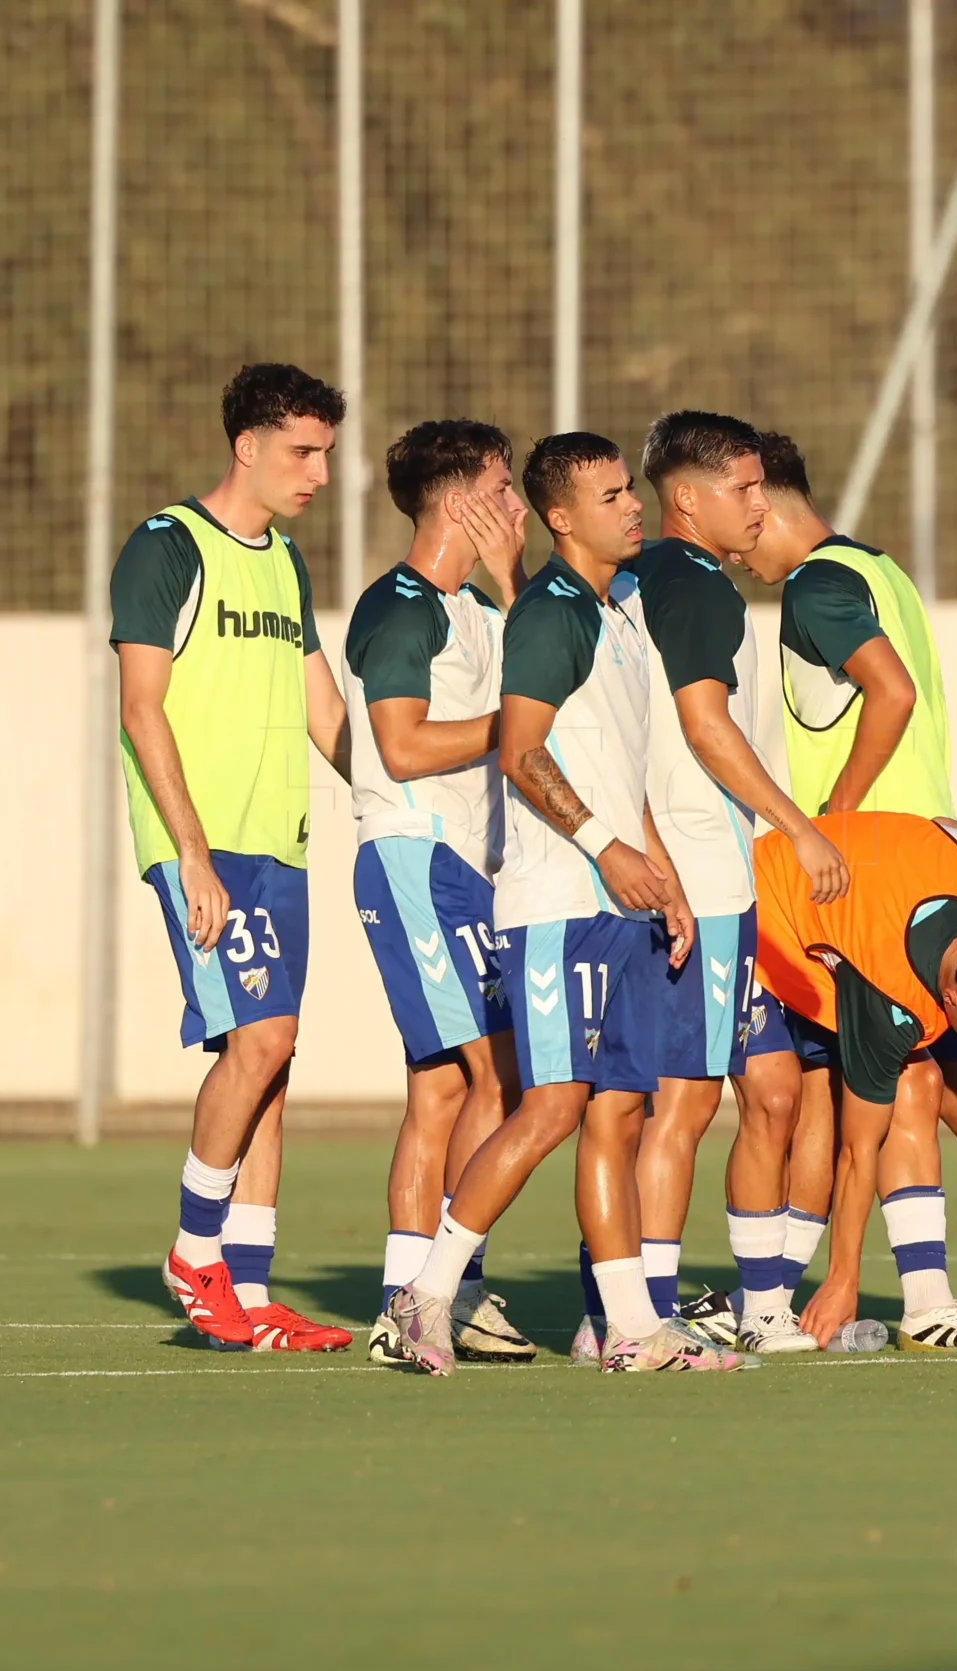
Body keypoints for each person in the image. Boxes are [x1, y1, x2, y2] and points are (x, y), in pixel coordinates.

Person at [381, 432, 736, 1377]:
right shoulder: (549, 613)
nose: (633, 506)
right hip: (559, 905)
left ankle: (631, 1330)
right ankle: (421, 1299)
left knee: (618, 1110)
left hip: (620, 900)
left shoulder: (618, 615)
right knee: (549, 1108)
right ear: (561, 518)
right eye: (612, 495)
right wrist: (606, 849)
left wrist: (664, 877)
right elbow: (520, 751)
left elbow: (622, 776)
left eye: (631, 490)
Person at [740, 432, 957, 1349]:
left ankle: (903, 1298)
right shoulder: (881, 570)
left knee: (892, 1092)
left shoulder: (815, 584)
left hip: (867, 890)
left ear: (763, 499)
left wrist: (829, 827)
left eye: (742, 526)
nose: (738, 551)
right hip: (937, 861)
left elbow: (888, 695)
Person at [588, 408, 851, 1360]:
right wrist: (798, 826)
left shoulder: (649, 577)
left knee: (773, 1085)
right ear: (688, 501)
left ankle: (761, 1305)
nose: (761, 501)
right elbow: (703, 729)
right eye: (743, 487)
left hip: (706, 873)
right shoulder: (695, 587)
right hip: (700, 874)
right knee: (684, 1102)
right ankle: (639, 1316)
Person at [113, 362, 354, 1354]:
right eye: (303, 451)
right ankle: (192, 1252)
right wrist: (194, 854)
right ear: (247, 447)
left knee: (271, 1057)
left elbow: (325, 712)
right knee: (260, 1037)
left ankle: (248, 1301)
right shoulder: (168, 549)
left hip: (279, 845)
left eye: (328, 453)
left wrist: (399, 807)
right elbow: (140, 708)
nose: (320, 473)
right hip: (202, 849)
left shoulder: (285, 564)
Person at [346, 419, 540, 1368]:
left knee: (440, 1087)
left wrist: (512, 585)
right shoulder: (403, 605)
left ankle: (414, 1298)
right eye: (502, 488)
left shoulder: (482, 608)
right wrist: (512, 725)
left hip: (468, 867)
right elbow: (402, 746)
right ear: (459, 499)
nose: (517, 506)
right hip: (418, 859)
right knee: (498, 1074)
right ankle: (439, 1292)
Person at [747, 812, 957, 1355]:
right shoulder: (886, 995)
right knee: (859, 1090)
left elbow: (949, 826)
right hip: (769, 917)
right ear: (954, 997)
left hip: (876, 897)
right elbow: (857, 1149)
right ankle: (770, 1299)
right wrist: (844, 1279)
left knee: (949, 1082)